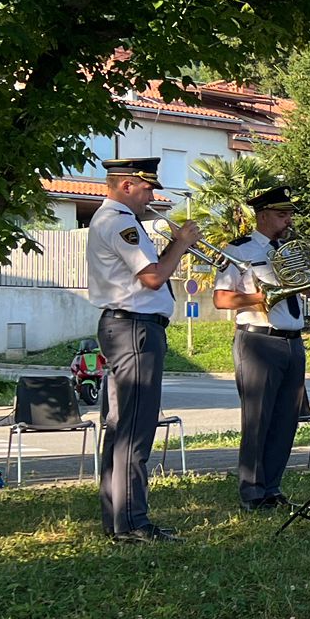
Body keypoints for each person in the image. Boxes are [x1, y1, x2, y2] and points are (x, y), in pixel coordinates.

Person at [84, 156, 202, 542]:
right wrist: (181, 245)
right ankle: (133, 522)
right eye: (148, 187)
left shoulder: (120, 221)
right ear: (126, 185)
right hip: (134, 328)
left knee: (120, 426)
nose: (152, 195)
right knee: (135, 428)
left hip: (127, 326)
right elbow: (153, 277)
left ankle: (117, 519)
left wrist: (171, 247)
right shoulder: (120, 222)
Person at [215, 185, 310, 510]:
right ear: (262, 215)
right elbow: (221, 299)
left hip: (293, 341)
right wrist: (262, 297)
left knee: (286, 420)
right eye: (282, 215)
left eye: (289, 215)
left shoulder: (291, 250)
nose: (288, 221)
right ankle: (252, 491)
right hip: (258, 340)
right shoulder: (239, 250)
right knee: (258, 419)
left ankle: (272, 486)